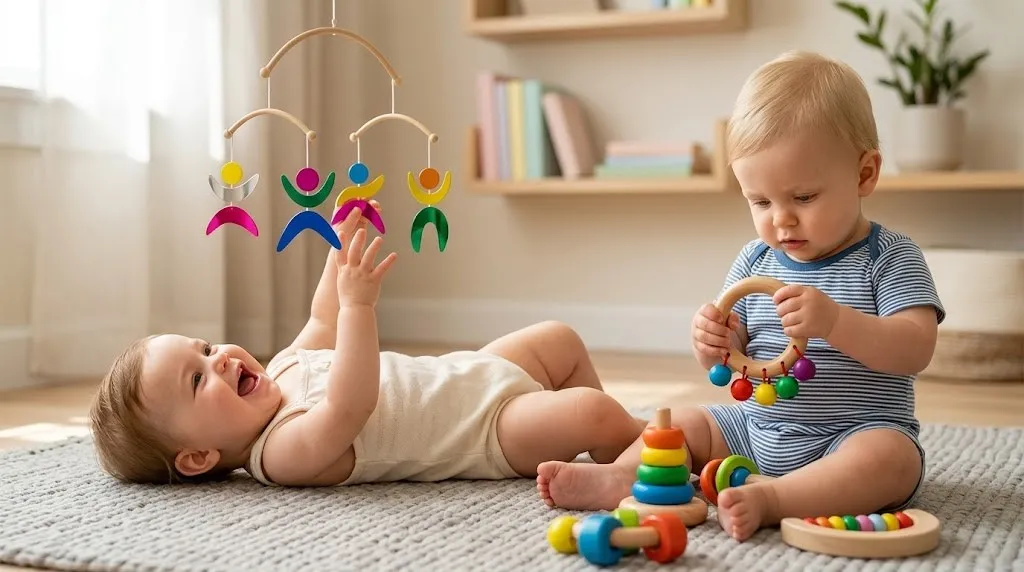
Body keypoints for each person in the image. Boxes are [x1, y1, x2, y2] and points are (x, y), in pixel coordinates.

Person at [536, 50, 945, 541]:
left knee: (890, 461)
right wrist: (711, 340)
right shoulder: (755, 260)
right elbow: (733, 354)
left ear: (864, 175)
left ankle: (775, 499)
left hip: (852, 436)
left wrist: (836, 322)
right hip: (754, 430)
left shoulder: (890, 257)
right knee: (683, 420)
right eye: (761, 201)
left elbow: (916, 348)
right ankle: (623, 478)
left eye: (804, 197)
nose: (781, 219)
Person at [90, 204, 645, 487]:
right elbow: (349, 405)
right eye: (197, 379)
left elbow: (320, 318)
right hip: (485, 430)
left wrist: (340, 250)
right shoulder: (281, 454)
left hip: (471, 372)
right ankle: (648, 457)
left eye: (206, 348)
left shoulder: (281, 370)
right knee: (587, 411)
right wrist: (361, 306)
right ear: (198, 457)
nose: (221, 360)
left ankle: (610, 460)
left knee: (558, 338)